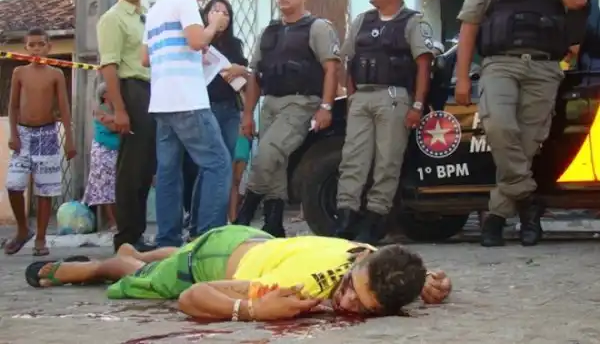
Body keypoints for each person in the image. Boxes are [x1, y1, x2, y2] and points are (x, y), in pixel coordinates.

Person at [454, 0, 589, 247]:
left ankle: (497, 216)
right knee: (500, 128)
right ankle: (528, 201)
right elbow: (469, 27)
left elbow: (578, 0)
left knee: (526, 145)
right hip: (500, 65)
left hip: (544, 69)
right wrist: (462, 78)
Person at [24, 224, 452, 321]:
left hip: (252, 240)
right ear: (359, 266)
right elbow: (192, 299)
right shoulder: (300, 285)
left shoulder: (374, 257)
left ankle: (145, 252)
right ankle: (90, 267)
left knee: (174, 254)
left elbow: (406, 267)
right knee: (140, 273)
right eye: (350, 289)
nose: (346, 301)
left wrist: (430, 282)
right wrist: (251, 310)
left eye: (362, 306)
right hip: (210, 261)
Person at [234, 0, 341, 237]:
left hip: (301, 103)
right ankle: (274, 224)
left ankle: (244, 215)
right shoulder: (269, 32)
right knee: (276, 165)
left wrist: (326, 107)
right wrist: (247, 115)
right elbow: (255, 75)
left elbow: (332, 69)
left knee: (266, 155)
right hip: (270, 103)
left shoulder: (317, 28)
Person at [335, 0, 434, 245]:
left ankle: (376, 219)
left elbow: (424, 64)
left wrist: (417, 104)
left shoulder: (412, 22)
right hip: (362, 96)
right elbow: (348, 59)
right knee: (352, 158)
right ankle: (346, 215)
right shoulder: (362, 21)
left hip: (394, 96)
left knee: (387, 161)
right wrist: (352, 96)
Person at [142, 0, 231, 248]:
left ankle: (167, 241)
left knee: (168, 173)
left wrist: (190, 48)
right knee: (218, 163)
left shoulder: (155, 9)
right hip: (187, 99)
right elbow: (196, 40)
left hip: (162, 101)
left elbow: (145, 58)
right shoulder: (185, 1)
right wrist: (213, 25)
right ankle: (207, 238)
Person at [97, 0, 156, 252]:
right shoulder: (112, 19)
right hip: (132, 90)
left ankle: (138, 235)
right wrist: (119, 110)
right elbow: (109, 66)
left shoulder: (148, 15)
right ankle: (126, 238)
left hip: (154, 91)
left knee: (146, 167)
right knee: (131, 168)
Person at [4, 27, 76, 256]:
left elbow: (64, 107)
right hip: (23, 134)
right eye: (32, 45)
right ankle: (23, 229)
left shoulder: (56, 73)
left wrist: (69, 139)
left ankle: (41, 238)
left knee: (45, 189)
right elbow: (13, 106)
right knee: (14, 185)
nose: (36, 49)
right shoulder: (19, 72)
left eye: (41, 44)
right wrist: (13, 134)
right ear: (25, 48)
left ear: (48, 47)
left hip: (48, 134)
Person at [182, 0, 250, 237]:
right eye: (215, 10)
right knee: (209, 165)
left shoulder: (235, 44)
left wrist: (241, 70)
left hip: (230, 109)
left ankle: (213, 223)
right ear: (206, 15)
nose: (221, 15)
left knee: (225, 165)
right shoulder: (199, 40)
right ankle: (199, 223)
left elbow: (245, 75)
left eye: (226, 12)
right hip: (205, 107)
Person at [83, 82, 119, 231]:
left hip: (116, 152)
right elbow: (115, 127)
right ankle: (112, 222)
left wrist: (114, 118)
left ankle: (117, 221)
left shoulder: (117, 109)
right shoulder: (100, 109)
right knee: (105, 188)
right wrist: (117, 119)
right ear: (104, 95)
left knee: (116, 187)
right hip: (103, 152)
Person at [229, 134, 253, 222]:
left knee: (237, 182)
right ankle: (232, 216)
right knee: (232, 182)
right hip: (234, 139)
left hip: (243, 142)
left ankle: (233, 216)